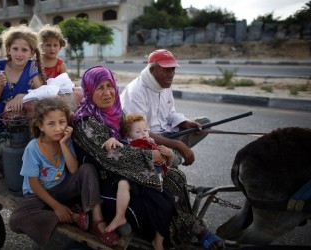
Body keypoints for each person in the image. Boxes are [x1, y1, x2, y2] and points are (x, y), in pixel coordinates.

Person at [72, 66, 225, 250]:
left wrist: (161, 149)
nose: (107, 93)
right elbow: (111, 156)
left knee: (176, 178)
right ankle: (188, 230)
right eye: (99, 88)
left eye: (109, 85)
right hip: (107, 178)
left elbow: (136, 134)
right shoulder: (85, 122)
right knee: (157, 197)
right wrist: (151, 156)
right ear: (89, 91)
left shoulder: (116, 113)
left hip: (128, 170)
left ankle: (187, 227)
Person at [9, 97, 119, 246]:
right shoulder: (33, 148)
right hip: (38, 195)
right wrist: (56, 207)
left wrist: (63, 145)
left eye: (62, 122)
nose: (58, 128)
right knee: (15, 220)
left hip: (62, 189)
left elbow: (74, 169)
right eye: (51, 124)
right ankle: (73, 216)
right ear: (41, 126)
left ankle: (97, 221)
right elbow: (33, 184)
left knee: (87, 169)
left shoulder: (65, 140)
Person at [120, 49, 210, 166]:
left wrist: (185, 123)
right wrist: (178, 144)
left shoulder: (165, 85)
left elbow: (170, 114)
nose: (171, 74)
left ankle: (172, 153)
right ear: (152, 70)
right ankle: (172, 155)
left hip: (167, 133)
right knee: (166, 151)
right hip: (145, 138)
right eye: (167, 70)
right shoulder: (136, 91)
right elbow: (140, 132)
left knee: (205, 123)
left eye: (173, 69)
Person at [103, 113, 175, 249]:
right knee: (123, 183)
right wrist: (111, 139)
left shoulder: (153, 144)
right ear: (128, 136)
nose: (143, 134)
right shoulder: (130, 144)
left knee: (167, 205)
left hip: (155, 182)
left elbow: (166, 164)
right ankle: (120, 216)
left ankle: (158, 241)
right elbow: (119, 147)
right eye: (138, 131)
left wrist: (169, 155)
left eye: (146, 130)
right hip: (136, 178)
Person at [0, 25, 46, 129]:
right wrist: (0, 86)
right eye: (15, 49)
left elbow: (41, 92)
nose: (19, 54)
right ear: (8, 49)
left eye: (24, 50)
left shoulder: (31, 67)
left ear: (31, 53)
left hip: (21, 116)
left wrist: (22, 96)